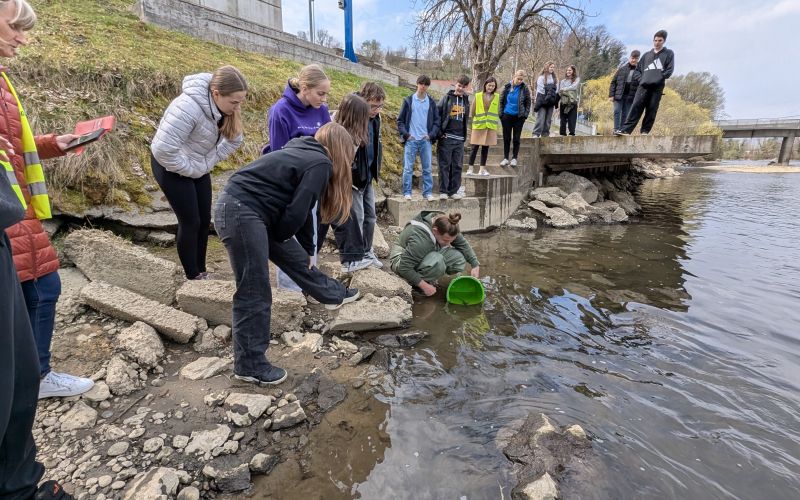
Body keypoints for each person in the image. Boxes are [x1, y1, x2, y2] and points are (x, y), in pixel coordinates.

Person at [214, 123, 361, 386]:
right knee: (254, 290)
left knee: (297, 259)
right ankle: (249, 365)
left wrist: (305, 249)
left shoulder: (306, 153)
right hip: (240, 211)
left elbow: (304, 210)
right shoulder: (320, 164)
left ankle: (333, 294)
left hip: (254, 212)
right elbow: (296, 212)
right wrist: (285, 237)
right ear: (341, 151)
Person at [1, 0, 96, 400]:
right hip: (8, 210)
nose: (23, 38)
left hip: (16, 205)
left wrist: (51, 144)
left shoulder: (3, 83)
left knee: (40, 288)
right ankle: (33, 379)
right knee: (41, 288)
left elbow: (14, 144)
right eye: (14, 27)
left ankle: (30, 376)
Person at [151, 65, 247, 280]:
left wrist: (207, 162)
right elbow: (162, 150)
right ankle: (192, 276)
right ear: (216, 94)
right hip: (170, 165)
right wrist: (191, 168)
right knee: (190, 221)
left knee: (204, 220)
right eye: (234, 102)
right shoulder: (186, 107)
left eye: (240, 101)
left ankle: (201, 270)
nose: (237, 107)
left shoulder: (226, 109)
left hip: (197, 165)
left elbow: (235, 140)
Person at [266, 64, 332, 290]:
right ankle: (289, 290)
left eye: (326, 94)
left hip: (311, 183)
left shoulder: (321, 111)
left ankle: (308, 281)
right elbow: (277, 156)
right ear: (304, 88)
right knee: (288, 234)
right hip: (288, 185)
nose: (323, 99)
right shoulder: (280, 111)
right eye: (320, 93)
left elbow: (328, 144)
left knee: (309, 232)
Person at [324, 83, 384, 273]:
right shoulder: (351, 117)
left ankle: (367, 251)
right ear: (363, 101)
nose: (377, 110)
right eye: (373, 106)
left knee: (370, 216)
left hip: (367, 177)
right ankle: (355, 257)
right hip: (352, 179)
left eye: (380, 106)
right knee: (356, 216)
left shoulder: (376, 118)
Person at [389, 211, 480, 297]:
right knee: (438, 261)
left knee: (458, 259)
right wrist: (424, 286)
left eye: (451, 241)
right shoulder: (421, 241)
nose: (448, 244)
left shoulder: (448, 225)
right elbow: (404, 268)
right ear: (435, 231)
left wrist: (475, 264)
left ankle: (427, 274)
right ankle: (415, 284)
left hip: (422, 251)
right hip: (401, 259)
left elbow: (462, 244)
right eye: (446, 240)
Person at [615, 30, 674, 136]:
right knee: (635, 107)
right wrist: (641, 79)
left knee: (651, 110)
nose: (657, 42)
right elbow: (637, 70)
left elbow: (669, 70)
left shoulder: (668, 53)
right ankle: (626, 130)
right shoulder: (646, 55)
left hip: (657, 88)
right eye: (655, 40)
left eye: (660, 40)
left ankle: (645, 131)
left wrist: (659, 77)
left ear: (664, 41)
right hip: (642, 87)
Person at [397, 75, 440, 201]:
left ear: (428, 86)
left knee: (427, 168)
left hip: (425, 140)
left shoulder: (431, 102)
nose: (423, 86)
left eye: (426, 84)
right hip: (411, 140)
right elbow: (400, 121)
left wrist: (431, 135)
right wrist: (406, 135)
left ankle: (427, 193)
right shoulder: (408, 100)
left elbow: (437, 121)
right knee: (408, 168)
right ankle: (407, 192)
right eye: (421, 83)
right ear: (417, 84)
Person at [437, 75, 471, 200]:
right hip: (446, 138)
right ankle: (443, 191)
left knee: (457, 166)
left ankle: (453, 191)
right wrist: (440, 133)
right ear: (455, 84)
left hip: (459, 139)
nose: (461, 88)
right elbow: (437, 115)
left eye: (463, 86)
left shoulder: (466, 100)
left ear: (466, 87)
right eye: (459, 85)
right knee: (444, 165)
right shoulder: (446, 98)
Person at [467, 76, 499, 177]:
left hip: (489, 126)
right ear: (485, 85)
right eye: (489, 85)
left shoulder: (497, 97)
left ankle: (482, 169)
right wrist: (472, 124)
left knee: (485, 148)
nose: (491, 87)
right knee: (474, 148)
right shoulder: (478, 95)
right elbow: (473, 110)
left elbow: (497, 111)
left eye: (493, 86)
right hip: (479, 125)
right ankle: (470, 168)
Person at [498, 70, 531, 167]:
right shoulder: (507, 87)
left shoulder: (524, 88)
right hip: (506, 116)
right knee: (506, 138)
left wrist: (525, 115)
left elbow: (528, 102)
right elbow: (501, 100)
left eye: (521, 79)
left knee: (516, 138)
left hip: (519, 117)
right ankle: (505, 158)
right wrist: (501, 114)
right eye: (518, 79)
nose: (520, 81)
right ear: (514, 77)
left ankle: (514, 158)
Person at [608, 50, 641, 132]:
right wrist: (611, 95)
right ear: (630, 58)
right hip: (618, 95)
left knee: (626, 114)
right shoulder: (622, 69)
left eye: (636, 58)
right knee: (617, 111)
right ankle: (616, 129)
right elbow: (613, 82)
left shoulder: (640, 71)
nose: (634, 60)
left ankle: (622, 130)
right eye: (632, 58)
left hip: (630, 97)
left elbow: (641, 85)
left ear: (638, 59)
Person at [533, 61, 559, 138]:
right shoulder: (541, 78)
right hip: (542, 101)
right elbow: (541, 90)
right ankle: (536, 133)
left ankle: (545, 134)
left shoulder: (555, 79)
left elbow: (557, 89)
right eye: (551, 67)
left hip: (551, 102)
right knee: (540, 118)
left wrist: (551, 94)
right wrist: (550, 92)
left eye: (553, 67)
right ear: (546, 67)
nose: (552, 68)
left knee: (548, 120)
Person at [558, 66, 580, 136]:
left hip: (572, 102)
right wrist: (565, 89)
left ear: (573, 71)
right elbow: (560, 90)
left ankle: (571, 132)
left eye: (570, 70)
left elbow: (574, 87)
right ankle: (562, 133)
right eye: (567, 70)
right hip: (564, 102)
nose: (568, 71)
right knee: (563, 119)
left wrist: (564, 89)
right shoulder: (562, 81)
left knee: (572, 118)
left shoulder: (577, 79)